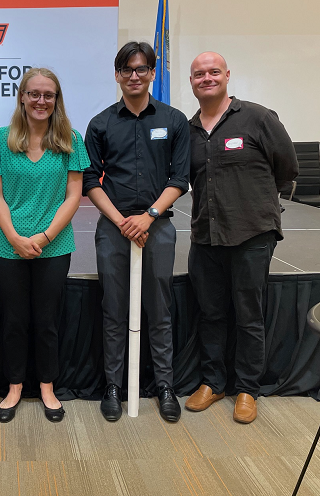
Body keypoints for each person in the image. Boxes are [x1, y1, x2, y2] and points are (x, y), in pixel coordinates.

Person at [185, 51, 298, 423]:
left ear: (227, 75)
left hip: (252, 235)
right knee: (211, 313)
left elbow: (287, 168)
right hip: (206, 236)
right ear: (191, 82)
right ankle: (213, 382)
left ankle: (248, 388)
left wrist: (256, 204)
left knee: (249, 315)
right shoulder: (189, 130)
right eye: (199, 74)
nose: (207, 78)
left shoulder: (258, 117)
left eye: (213, 72)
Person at [83, 41, 190, 423]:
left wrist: (148, 216)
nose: (134, 76)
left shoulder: (174, 121)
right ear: (117, 75)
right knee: (113, 308)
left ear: (152, 73)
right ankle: (112, 385)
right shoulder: (100, 124)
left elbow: (181, 178)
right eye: (126, 70)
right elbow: (90, 180)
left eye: (141, 69)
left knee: (160, 309)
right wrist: (122, 221)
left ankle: (164, 385)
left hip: (157, 227)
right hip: (114, 228)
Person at [0, 68, 89, 424]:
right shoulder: (0, 140)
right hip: (8, 244)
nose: (41, 101)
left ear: (56, 100)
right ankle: (14, 386)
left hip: (54, 246)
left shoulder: (70, 139)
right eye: (35, 94)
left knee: (46, 321)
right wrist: (14, 237)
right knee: (13, 320)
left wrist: (44, 237)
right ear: (22, 97)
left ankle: (46, 386)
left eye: (49, 95)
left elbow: (74, 196)